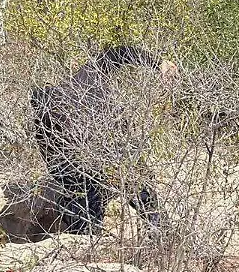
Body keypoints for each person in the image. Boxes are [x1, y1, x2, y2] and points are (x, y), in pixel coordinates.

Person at [31, 45, 177, 234]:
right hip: (102, 147)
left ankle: (90, 233)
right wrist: (158, 63)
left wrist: (158, 63)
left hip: (101, 146)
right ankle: (160, 234)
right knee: (117, 191)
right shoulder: (84, 80)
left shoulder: (51, 109)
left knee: (88, 199)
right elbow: (119, 53)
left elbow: (119, 53)